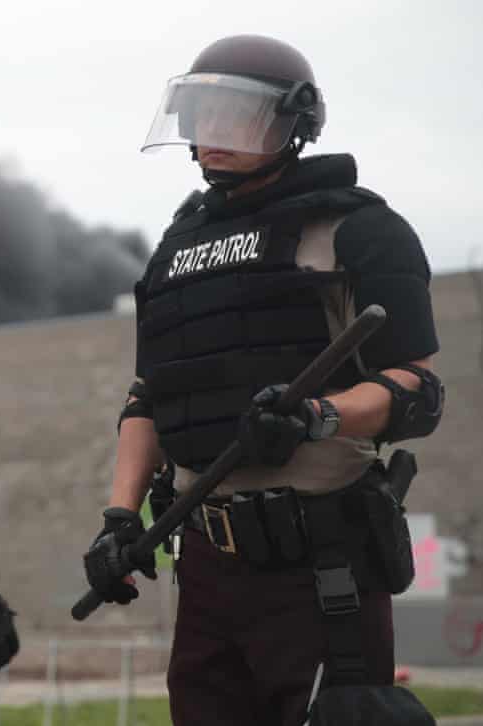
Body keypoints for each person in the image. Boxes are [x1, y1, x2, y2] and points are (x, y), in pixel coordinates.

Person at [84, 35, 445, 726]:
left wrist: (317, 416)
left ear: (292, 122)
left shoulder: (361, 231)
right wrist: (119, 521)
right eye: (201, 114)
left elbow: (416, 389)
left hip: (320, 564)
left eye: (234, 114)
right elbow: (149, 395)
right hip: (208, 571)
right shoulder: (176, 247)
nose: (210, 133)